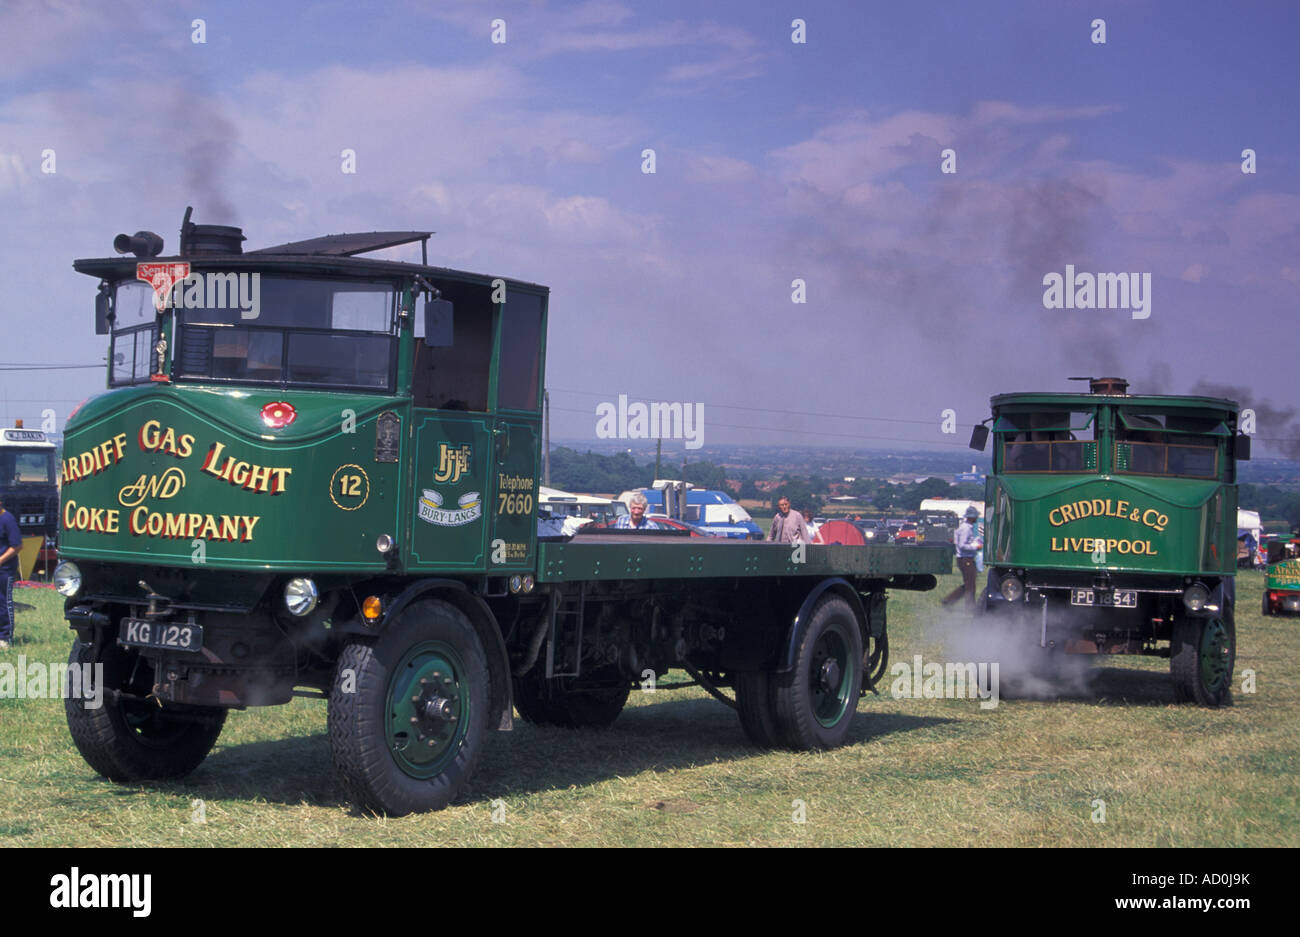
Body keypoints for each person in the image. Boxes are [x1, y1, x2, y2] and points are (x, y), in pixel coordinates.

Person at [942, 506, 981, 609]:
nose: (977, 518)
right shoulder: (966, 529)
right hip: (966, 559)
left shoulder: (967, 527)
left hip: (965, 558)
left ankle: (949, 600)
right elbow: (962, 545)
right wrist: (974, 546)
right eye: (975, 516)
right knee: (970, 585)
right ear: (971, 517)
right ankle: (969, 607)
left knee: (969, 583)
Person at [0, 495, 21, 649]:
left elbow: (17, 546)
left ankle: (6, 637)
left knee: (4, 602)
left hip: (5, 570)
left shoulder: (8, 519)